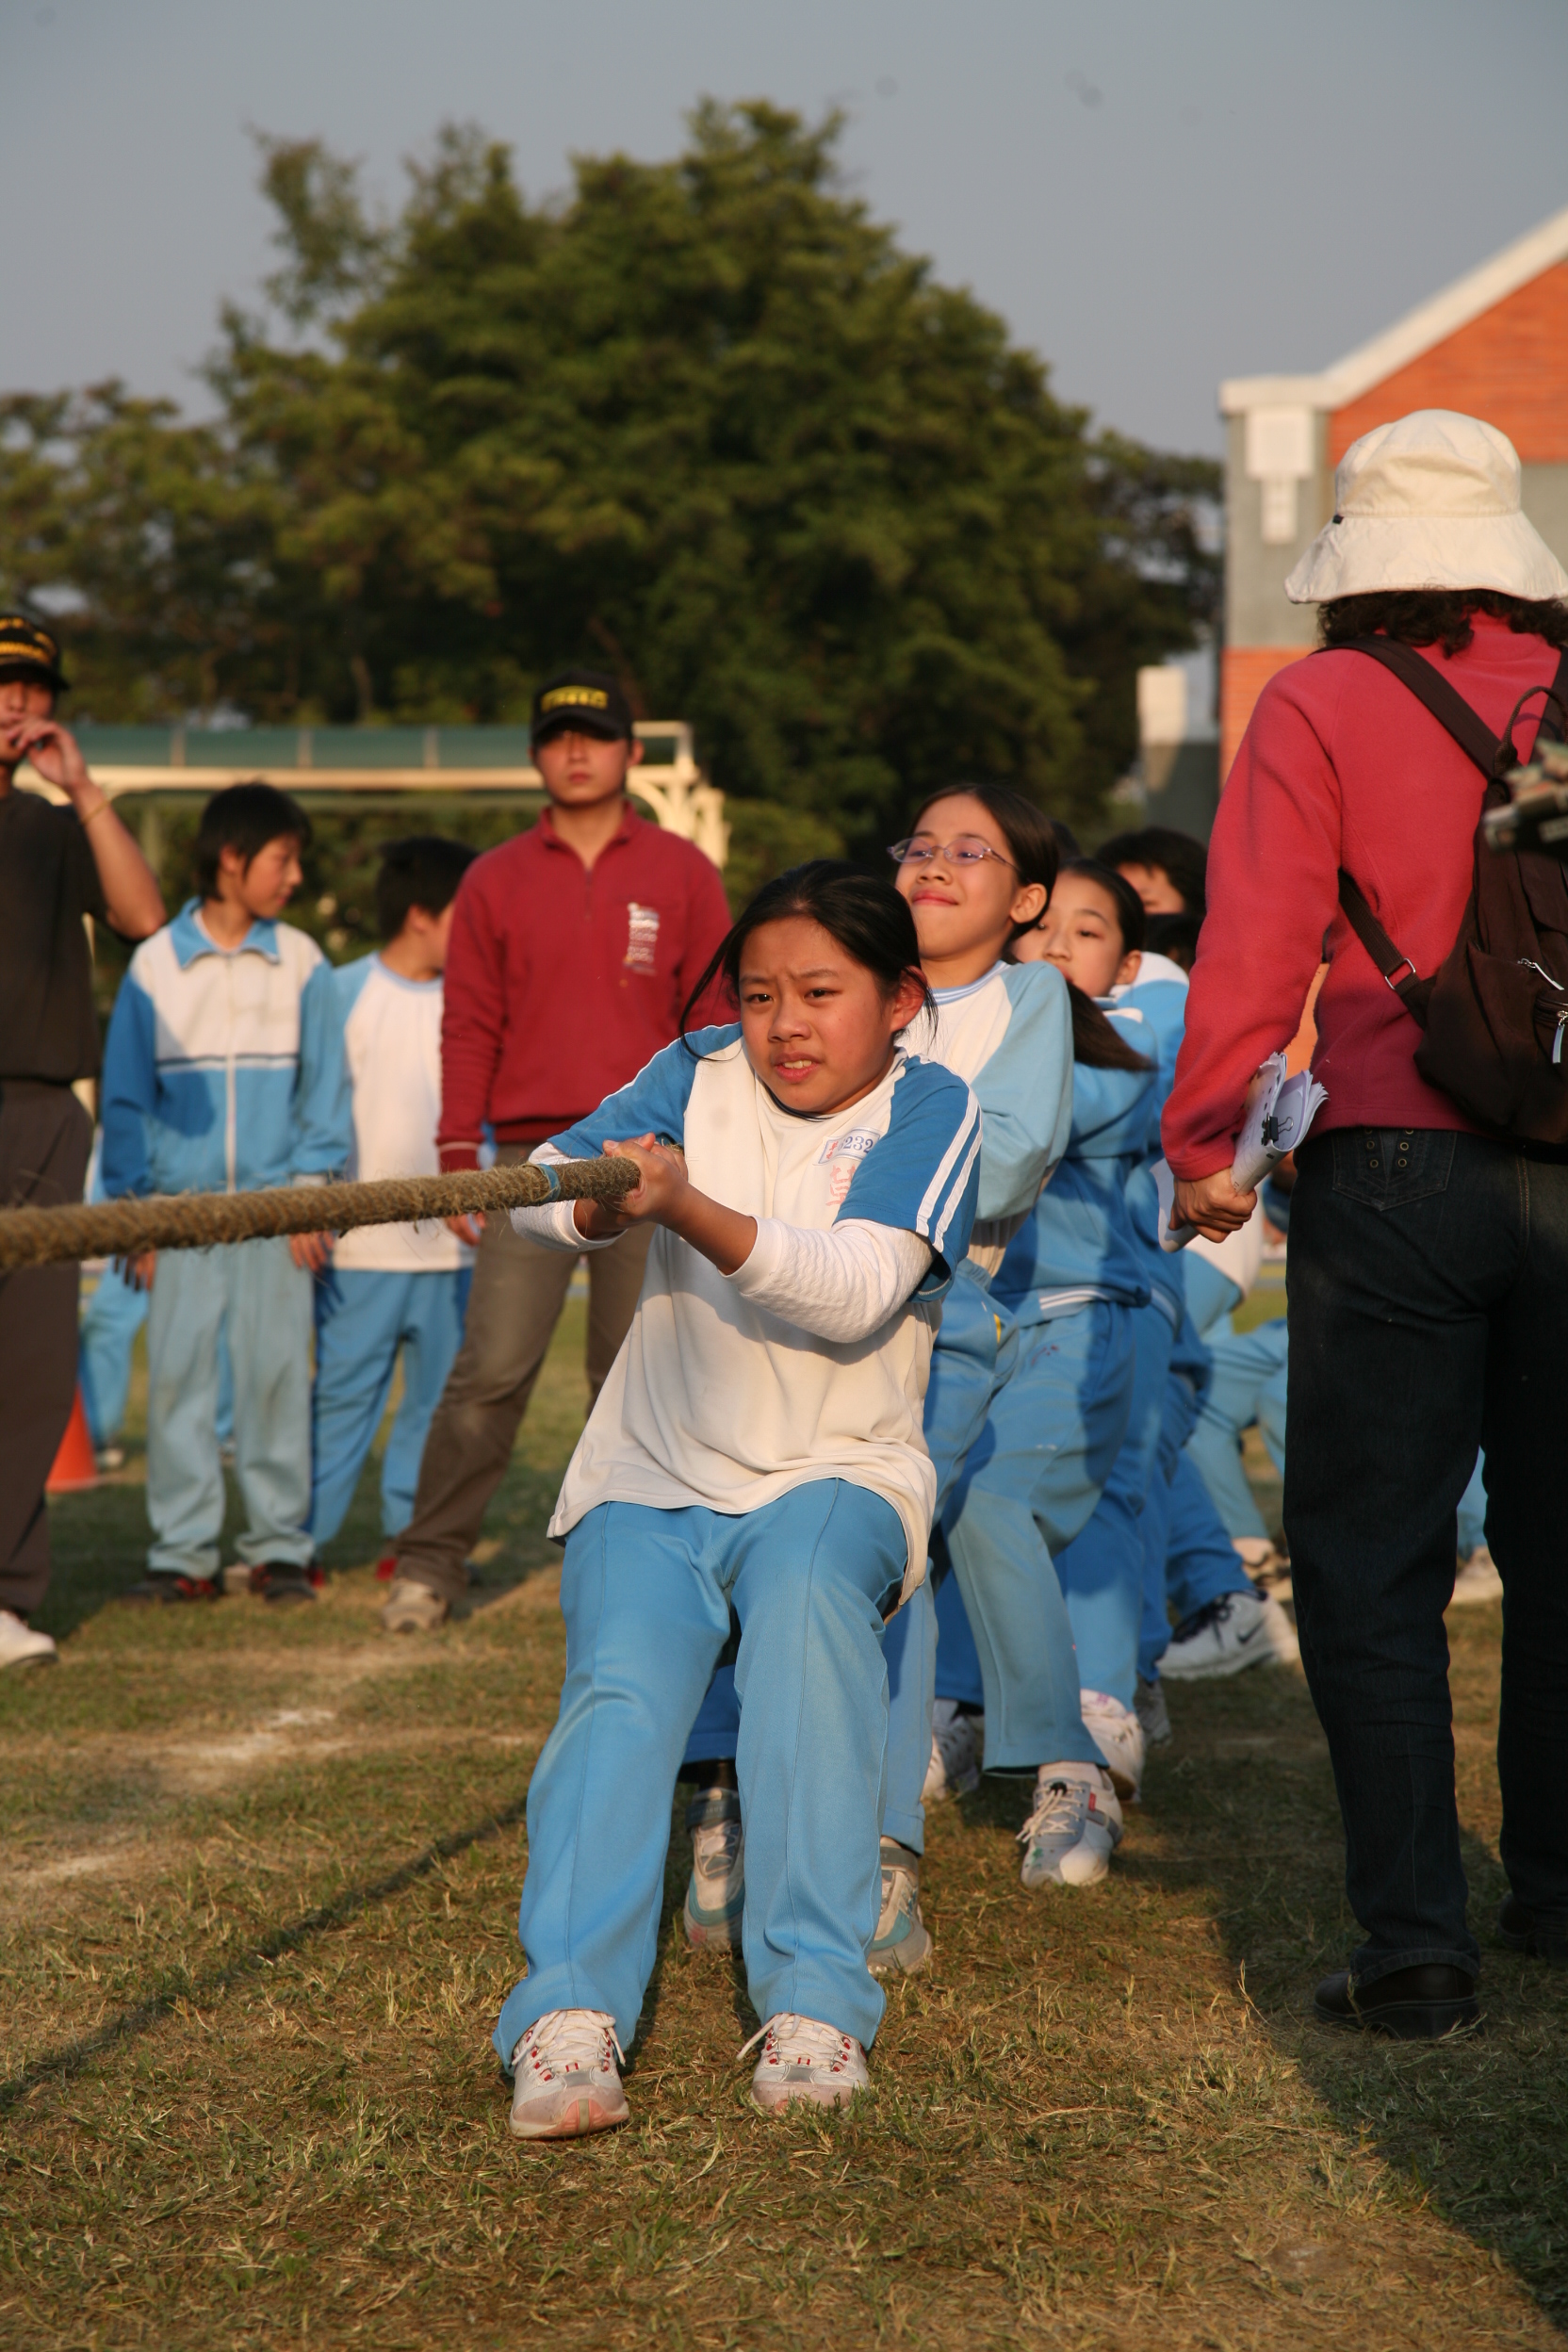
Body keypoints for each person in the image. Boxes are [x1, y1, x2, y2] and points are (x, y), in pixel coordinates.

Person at [1165, 407, 1568, 2037]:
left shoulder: (1320, 699)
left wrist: (1208, 1139)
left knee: (1369, 1559)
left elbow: (1257, 941)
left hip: (1394, 1159)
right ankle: (1556, 1893)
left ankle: (1414, 1946)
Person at [494, 863, 980, 2136]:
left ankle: (815, 2001)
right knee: (616, 1696)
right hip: (650, 1470)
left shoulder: (933, 1108)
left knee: (810, 1645)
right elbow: (544, 1188)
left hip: (836, 1472)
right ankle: (568, 2010)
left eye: (820, 993)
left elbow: (856, 1288)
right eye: (759, 995)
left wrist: (681, 1203)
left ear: (899, 1000)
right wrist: (594, 1205)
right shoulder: (692, 1072)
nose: (784, 1025)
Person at [676, 784, 1075, 1969]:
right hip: (763, 1308)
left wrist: (859, 1183)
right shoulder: (811, 983)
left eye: (971, 851)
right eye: (919, 845)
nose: (936, 864)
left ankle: (873, 1846)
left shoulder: (1025, 997)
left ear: (1027, 900)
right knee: (722, 1531)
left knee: (879, 1567)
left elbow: (1008, 1159)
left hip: (931, 1318)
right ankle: (727, 1795)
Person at [382, 668, 732, 1634]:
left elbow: (713, 1020)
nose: (576, 751)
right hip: (528, 1158)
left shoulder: (683, 871)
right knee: (491, 1370)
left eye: (596, 734)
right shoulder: (493, 877)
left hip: (655, 1155)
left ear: (631, 752)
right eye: (556, 736)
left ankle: (632, 1566)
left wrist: (703, 1146)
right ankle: (429, 1564)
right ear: (536, 755)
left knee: (635, 1371)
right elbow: (468, 1022)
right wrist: (458, 1150)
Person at [931, 866, 1156, 1889]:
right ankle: (950, 1712)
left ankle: (1077, 1763)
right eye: (1044, 926)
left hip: (1075, 1323)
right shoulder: (961, 1033)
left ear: (1128, 962)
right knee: (929, 1517)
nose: (1058, 945)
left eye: (1088, 930)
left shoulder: (1117, 1053)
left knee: (1005, 1509)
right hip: (962, 1326)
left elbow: (1035, 1124)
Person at [101, 783, 350, 1604]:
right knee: (177, 1382)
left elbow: (326, 1092)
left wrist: (311, 1197)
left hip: (280, 1217)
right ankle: (183, 1556)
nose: (296, 876)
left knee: (276, 1378)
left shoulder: (304, 960)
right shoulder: (153, 965)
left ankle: (279, 1548)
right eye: (284, 858)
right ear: (232, 859)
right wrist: (136, 1207)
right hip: (179, 1218)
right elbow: (125, 1097)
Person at [0, 614, 164, 1667]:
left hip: (38, 1115)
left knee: (30, 1364)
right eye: (1, 685)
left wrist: (86, 790)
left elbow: (144, 919)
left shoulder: (55, 826)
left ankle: (5, 1596)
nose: (17, 703)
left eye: (34, 688)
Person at [308, 838, 478, 1567]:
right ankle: (300, 1544)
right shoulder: (338, 992)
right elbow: (311, 1109)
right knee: (342, 1402)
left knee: (435, 1409)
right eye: (466, 913)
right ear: (419, 915)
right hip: (359, 1254)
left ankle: (409, 1541)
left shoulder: (476, 1002)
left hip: (453, 1254)